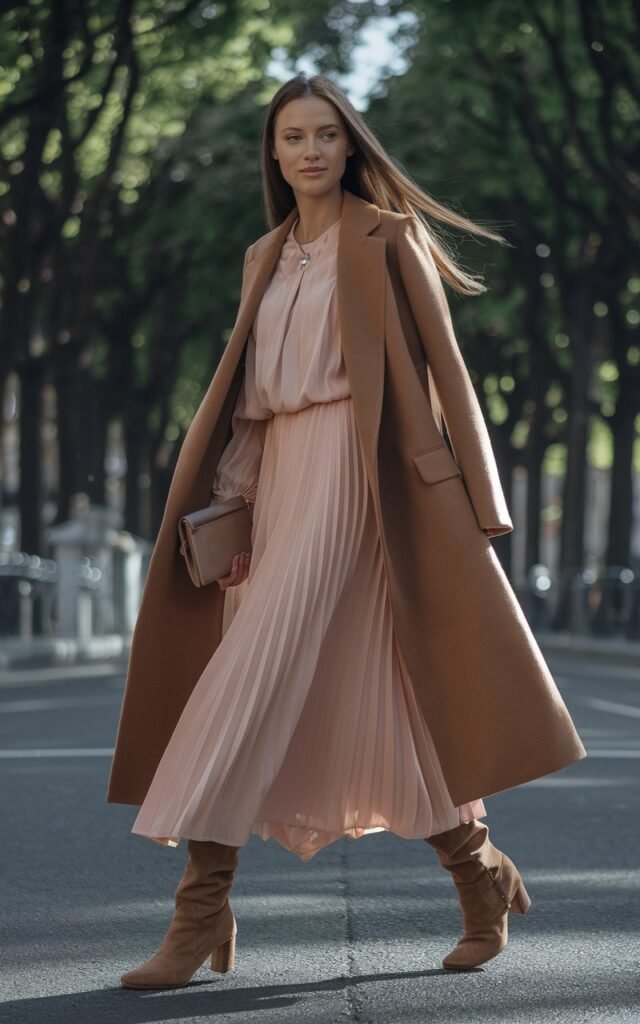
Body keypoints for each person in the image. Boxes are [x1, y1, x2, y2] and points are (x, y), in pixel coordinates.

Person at [114, 72, 586, 990]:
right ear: (275, 153)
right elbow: (249, 403)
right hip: (283, 477)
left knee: (245, 676)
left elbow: (446, 368)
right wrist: (239, 504)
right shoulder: (265, 254)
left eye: (326, 135)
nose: (310, 152)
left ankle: (199, 910)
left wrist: (477, 501)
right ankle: (479, 873)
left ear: (350, 146)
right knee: (390, 701)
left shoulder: (388, 239)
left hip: (361, 480)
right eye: (292, 137)